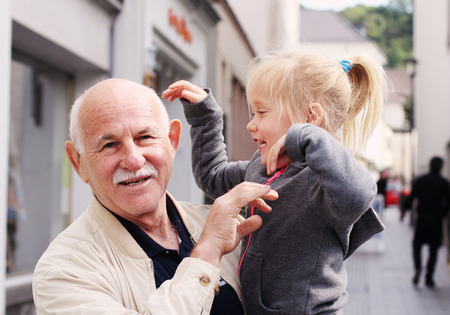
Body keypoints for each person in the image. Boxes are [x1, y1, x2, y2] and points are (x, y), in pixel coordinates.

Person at [162, 50, 387, 314]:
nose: (250, 124)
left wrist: (305, 137)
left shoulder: (320, 185)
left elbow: (358, 194)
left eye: (261, 112)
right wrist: (207, 117)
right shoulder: (263, 167)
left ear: (310, 118)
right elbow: (213, 176)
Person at [32, 78, 279, 314]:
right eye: (109, 145)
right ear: (78, 162)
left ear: (172, 141)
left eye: (145, 137)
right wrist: (208, 252)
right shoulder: (64, 269)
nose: (133, 159)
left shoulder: (232, 227)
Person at [401, 156, 450, 287]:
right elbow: (448, 203)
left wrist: (403, 211)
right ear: (441, 167)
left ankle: (418, 268)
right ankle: (429, 276)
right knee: (434, 249)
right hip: (437, 221)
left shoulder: (421, 180)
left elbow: (411, 198)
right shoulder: (444, 183)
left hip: (422, 219)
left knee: (417, 246)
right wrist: (443, 214)